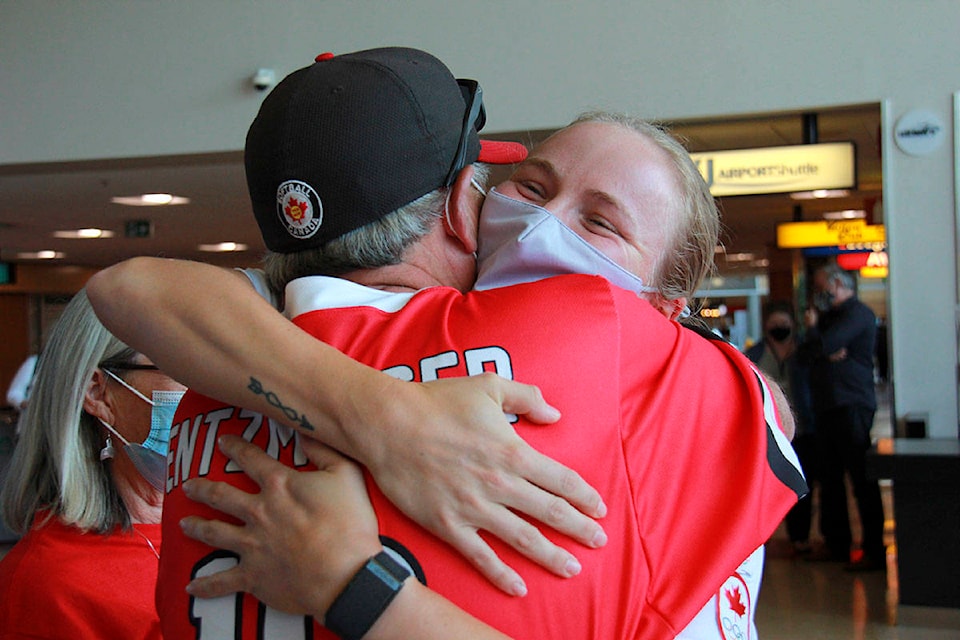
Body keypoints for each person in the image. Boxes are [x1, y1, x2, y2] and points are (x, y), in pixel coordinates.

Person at [90, 47, 804, 639]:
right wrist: (388, 422)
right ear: (469, 208)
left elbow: (127, 289)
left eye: (600, 224)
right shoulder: (617, 342)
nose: (541, 225)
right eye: (529, 186)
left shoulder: (219, 357)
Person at [0, 289, 186, 639]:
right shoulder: (52, 587)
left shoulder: (222, 531)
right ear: (97, 393)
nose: (210, 395)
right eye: (182, 367)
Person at [801, 262, 884, 571]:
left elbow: (823, 344)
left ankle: (873, 549)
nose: (819, 294)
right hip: (826, 406)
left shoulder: (858, 313)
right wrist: (821, 348)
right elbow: (808, 353)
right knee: (830, 479)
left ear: (837, 285)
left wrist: (819, 341)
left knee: (861, 479)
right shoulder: (830, 318)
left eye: (823, 288)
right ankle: (837, 543)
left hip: (851, 404)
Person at [746, 300, 816, 555]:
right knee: (769, 484)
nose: (779, 328)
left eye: (784, 324)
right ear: (766, 327)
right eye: (775, 324)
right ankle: (764, 538)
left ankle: (801, 537)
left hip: (806, 426)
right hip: (771, 430)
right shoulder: (755, 355)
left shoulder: (805, 351)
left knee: (803, 485)